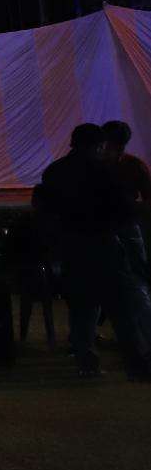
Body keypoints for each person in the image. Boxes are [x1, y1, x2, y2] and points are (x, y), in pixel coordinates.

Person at [36, 124, 151, 379]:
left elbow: (45, 210)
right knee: (121, 308)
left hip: (71, 248)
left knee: (82, 307)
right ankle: (137, 364)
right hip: (103, 245)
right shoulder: (104, 173)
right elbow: (123, 211)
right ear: (99, 146)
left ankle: (86, 361)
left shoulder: (54, 172)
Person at [101, 120, 151, 282]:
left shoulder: (97, 165)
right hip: (124, 223)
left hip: (109, 224)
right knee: (137, 269)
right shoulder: (135, 165)